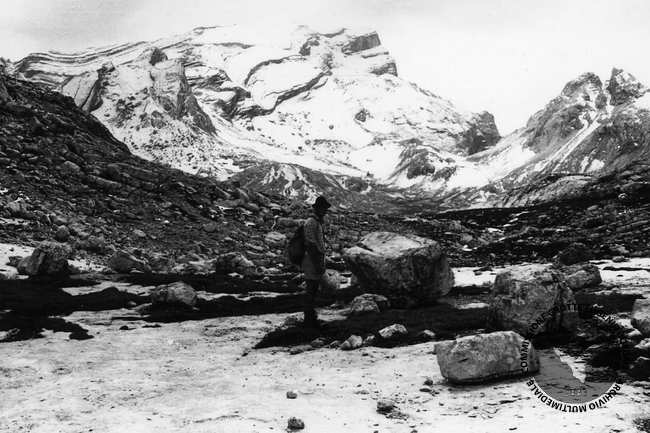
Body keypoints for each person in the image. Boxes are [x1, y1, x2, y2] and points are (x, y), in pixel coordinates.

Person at [301, 195, 331, 327]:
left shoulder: (316, 222)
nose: (325, 211)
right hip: (311, 261)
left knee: (313, 289)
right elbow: (311, 245)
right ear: (318, 208)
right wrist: (318, 264)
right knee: (311, 289)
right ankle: (309, 319)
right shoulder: (311, 222)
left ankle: (311, 317)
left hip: (315, 260)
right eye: (324, 209)